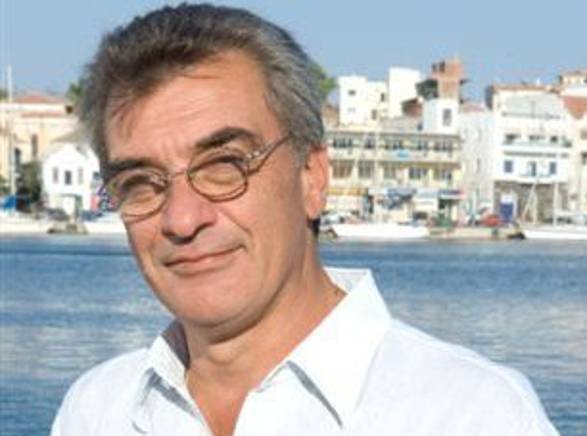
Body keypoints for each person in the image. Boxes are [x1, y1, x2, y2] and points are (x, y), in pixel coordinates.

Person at [51, 4, 559, 436]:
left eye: (224, 166)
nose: (182, 219)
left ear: (312, 177)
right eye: (141, 182)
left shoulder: (471, 415)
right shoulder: (97, 410)